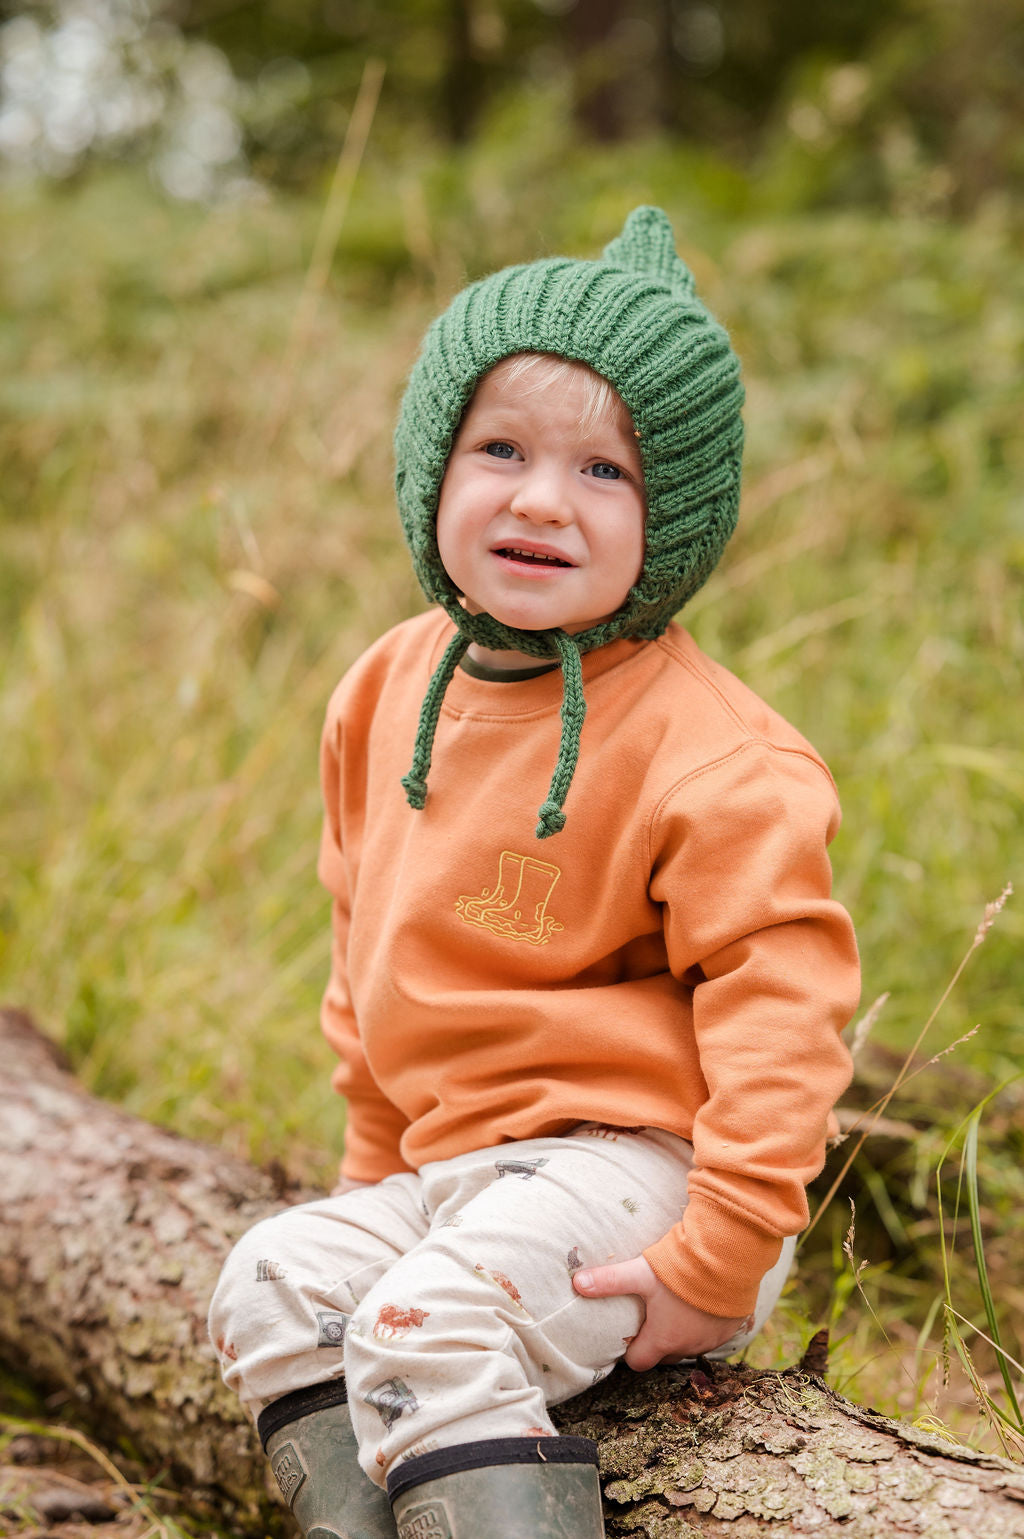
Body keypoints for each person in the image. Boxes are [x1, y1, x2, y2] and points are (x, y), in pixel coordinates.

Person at [209, 206, 860, 1539]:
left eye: (605, 471)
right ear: (431, 465)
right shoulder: (384, 690)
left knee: (421, 1323)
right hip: (459, 1168)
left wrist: (720, 1254)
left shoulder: (716, 756)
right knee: (270, 1284)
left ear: (675, 518)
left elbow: (784, 1013)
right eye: (499, 448)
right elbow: (367, 950)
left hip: (649, 1175)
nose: (542, 499)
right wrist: (371, 1174)